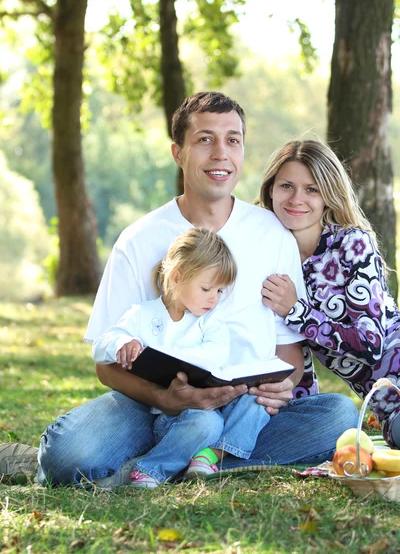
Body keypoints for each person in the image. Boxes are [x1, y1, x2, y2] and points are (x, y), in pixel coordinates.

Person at [0, 93, 358, 487]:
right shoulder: (139, 239)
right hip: (151, 407)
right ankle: (182, 460)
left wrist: (282, 386)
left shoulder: (272, 234)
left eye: (233, 140)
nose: (221, 153)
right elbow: (106, 364)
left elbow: (286, 346)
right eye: (205, 140)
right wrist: (164, 399)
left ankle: (158, 466)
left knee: (338, 417)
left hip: (244, 406)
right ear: (178, 152)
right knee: (68, 457)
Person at [93, 227, 272, 488]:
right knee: (206, 421)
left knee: (259, 401)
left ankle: (208, 456)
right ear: (177, 277)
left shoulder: (211, 321)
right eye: (207, 288)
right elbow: (100, 345)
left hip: (216, 401)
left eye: (220, 291)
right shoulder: (142, 315)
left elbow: (216, 353)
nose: (214, 298)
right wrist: (123, 343)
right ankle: (151, 469)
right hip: (176, 417)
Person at [258, 138, 400, 448]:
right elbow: (295, 351)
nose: (297, 199)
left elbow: (370, 344)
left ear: (328, 196)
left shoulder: (352, 244)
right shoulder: (265, 258)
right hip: (387, 407)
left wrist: (296, 310)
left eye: (312, 189)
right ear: (271, 189)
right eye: (286, 186)